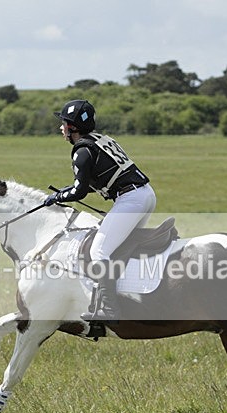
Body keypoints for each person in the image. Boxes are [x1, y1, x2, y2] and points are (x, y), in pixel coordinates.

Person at [45, 99, 157, 323]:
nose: (61, 127)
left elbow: (79, 192)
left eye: (64, 123)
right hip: (145, 195)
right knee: (120, 246)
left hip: (131, 200)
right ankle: (129, 294)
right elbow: (90, 183)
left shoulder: (82, 151)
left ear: (73, 127)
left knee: (99, 251)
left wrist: (57, 197)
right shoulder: (100, 139)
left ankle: (110, 309)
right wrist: (66, 190)